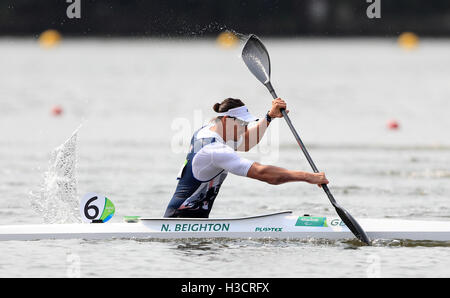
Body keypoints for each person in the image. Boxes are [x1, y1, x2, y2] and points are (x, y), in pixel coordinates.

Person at [164, 98, 329, 218]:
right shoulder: (214, 150)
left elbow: (248, 141)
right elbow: (263, 173)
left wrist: (269, 117)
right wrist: (308, 177)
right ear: (227, 120)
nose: (245, 129)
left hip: (191, 221)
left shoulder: (208, 130)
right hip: (180, 221)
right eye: (243, 124)